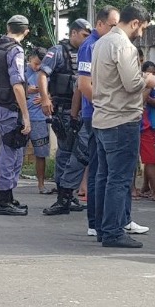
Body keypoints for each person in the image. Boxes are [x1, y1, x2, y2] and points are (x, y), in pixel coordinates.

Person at [77, 6, 149, 239]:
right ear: (136, 23)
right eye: (143, 28)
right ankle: (113, 231)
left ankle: (102, 228)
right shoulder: (123, 46)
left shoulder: (99, 43)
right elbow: (131, 84)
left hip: (101, 117)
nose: (142, 34)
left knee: (104, 176)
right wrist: (147, 79)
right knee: (119, 179)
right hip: (121, 119)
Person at [39, 18, 92, 215]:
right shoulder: (58, 51)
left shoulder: (87, 51)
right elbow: (43, 74)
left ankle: (69, 196)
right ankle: (63, 196)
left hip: (80, 109)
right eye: (84, 35)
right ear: (73, 33)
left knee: (78, 154)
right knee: (65, 153)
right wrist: (45, 98)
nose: (86, 39)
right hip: (63, 109)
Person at [0, 15, 32, 215]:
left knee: (12, 151)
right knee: (10, 154)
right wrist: (26, 115)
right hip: (12, 109)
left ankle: (9, 197)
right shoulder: (15, 50)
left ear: (7, 27)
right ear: (26, 32)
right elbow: (17, 84)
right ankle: (3, 201)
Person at [25, 47, 50, 194]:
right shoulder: (21, 72)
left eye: (40, 64)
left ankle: (41, 184)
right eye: (35, 63)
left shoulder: (47, 72)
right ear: (29, 60)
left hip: (40, 118)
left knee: (41, 152)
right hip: (22, 117)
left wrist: (46, 97)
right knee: (16, 152)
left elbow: (53, 91)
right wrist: (28, 90)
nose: (38, 67)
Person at [140, 61, 155, 202]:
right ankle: (136, 189)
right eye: (149, 73)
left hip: (147, 126)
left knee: (151, 160)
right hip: (138, 124)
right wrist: (148, 87)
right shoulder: (139, 84)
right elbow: (141, 101)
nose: (152, 75)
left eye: (154, 73)